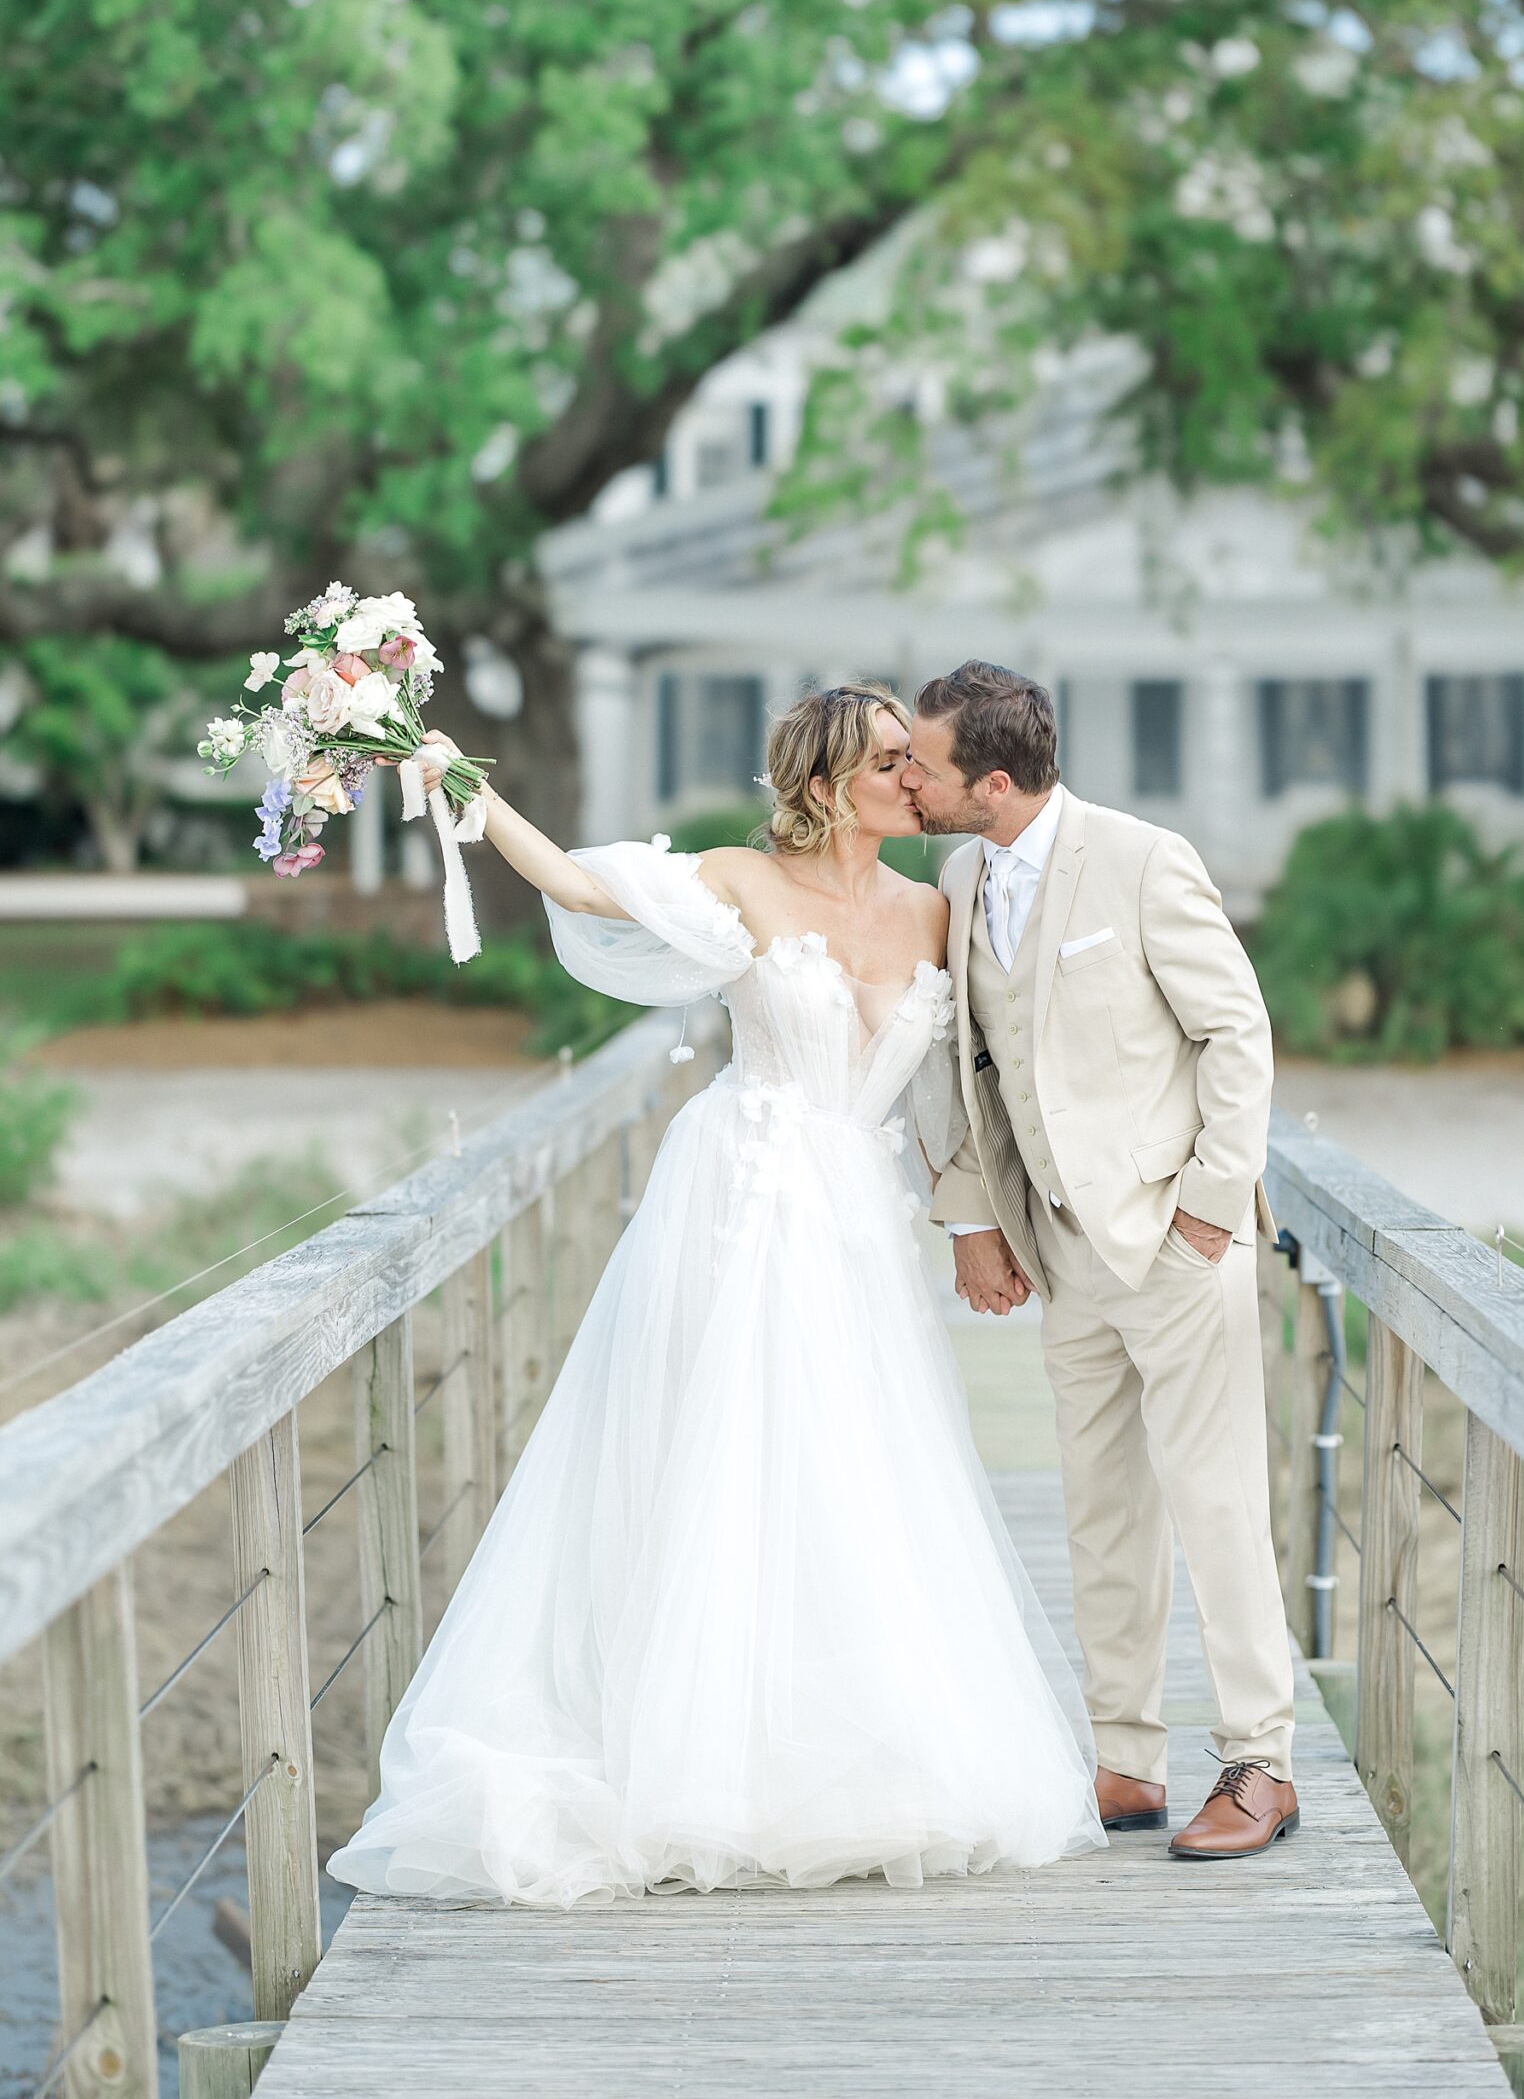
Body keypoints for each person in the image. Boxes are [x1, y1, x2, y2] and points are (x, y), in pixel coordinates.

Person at [327, 684, 1102, 1911]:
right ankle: (693, 1754)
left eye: (919, 758)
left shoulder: (935, 906)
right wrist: (454, 780)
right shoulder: (742, 878)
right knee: (721, 1459)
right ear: (829, 781)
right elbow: (583, 890)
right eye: (896, 758)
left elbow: (971, 1082)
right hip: (737, 1200)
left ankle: (835, 1741)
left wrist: (984, 1220)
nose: (920, 777)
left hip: (855, 1212)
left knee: (849, 1468)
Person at [903, 661, 1298, 1860]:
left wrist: (1209, 1213)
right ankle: (1127, 1758)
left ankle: (1263, 1763)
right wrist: (975, 1216)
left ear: (998, 779)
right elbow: (964, 1063)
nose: (906, 779)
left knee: (1217, 1500)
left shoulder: (1140, 859)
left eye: (923, 764)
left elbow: (1236, 1030)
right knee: (1102, 1511)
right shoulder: (960, 872)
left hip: (1175, 1246)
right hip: (1063, 1253)